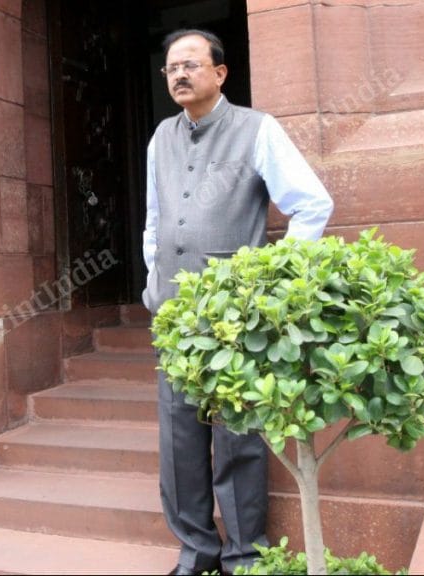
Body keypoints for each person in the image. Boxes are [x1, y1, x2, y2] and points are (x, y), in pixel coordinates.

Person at [141, 29, 334, 575]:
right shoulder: (160, 136)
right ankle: (195, 550)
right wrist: (153, 281)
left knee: (237, 441)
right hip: (174, 313)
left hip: (235, 316)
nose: (179, 74)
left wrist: (269, 282)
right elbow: (155, 220)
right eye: (171, 68)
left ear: (220, 73)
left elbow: (312, 206)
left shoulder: (256, 129)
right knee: (179, 441)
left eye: (191, 65)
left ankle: (245, 556)